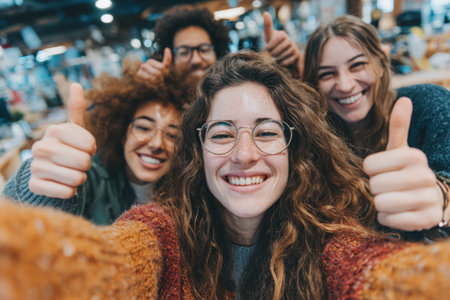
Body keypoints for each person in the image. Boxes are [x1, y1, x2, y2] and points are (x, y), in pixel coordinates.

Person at [1, 52, 449, 299]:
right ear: (197, 150)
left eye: (267, 132)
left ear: (297, 150)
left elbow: (387, 278)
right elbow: (102, 266)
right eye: (221, 133)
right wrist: (37, 196)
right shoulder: (160, 232)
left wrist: (429, 226)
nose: (245, 154)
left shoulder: (333, 238)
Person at [302, 15, 450, 234]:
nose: (345, 85)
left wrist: (441, 197)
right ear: (315, 84)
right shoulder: (316, 141)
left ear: (381, 62)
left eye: (357, 65)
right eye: (327, 74)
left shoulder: (429, 104)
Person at [2, 62, 194, 225]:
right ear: (121, 131)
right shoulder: (90, 178)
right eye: (143, 128)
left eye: (172, 135)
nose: (157, 143)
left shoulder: (185, 190)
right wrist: (40, 187)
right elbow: (18, 220)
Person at [137, 5, 303, 81]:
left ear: (217, 53)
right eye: (184, 52)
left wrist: (293, 66)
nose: (195, 60)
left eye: (203, 49)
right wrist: (142, 92)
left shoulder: (237, 95)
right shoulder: (163, 108)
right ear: (170, 58)